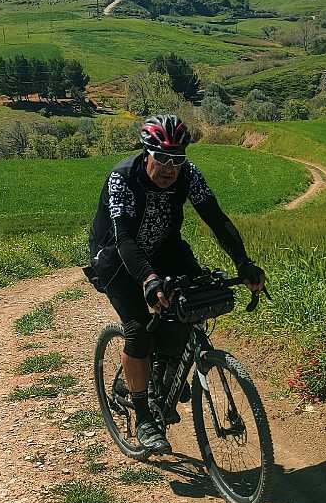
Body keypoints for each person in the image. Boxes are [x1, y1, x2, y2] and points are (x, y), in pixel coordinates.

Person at [87, 114, 265, 453]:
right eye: (163, 159)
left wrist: (242, 262)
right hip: (116, 256)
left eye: (178, 159)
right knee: (139, 329)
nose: (170, 168)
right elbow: (124, 239)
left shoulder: (189, 176)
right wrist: (148, 279)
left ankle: (166, 369)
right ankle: (143, 418)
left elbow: (217, 219)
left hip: (165, 248)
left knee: (194, 302)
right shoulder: (122, 178)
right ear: (146, 153)